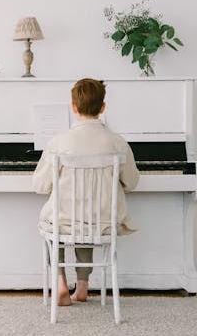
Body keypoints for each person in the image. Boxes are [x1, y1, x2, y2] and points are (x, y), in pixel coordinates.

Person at [31, 78, 140, 306]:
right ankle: (82, 287)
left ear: (73, 107)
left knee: (56, 222)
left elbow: (40, 186)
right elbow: (131, 182)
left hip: (66, 221)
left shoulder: (58, 142)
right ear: (102, 107)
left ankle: (60, 282)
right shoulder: (118, 143)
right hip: (102, 222)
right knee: (88, 217)